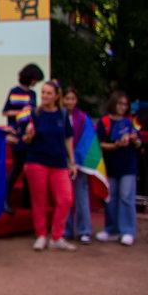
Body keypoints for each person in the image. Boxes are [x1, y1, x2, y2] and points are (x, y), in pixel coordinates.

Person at [22, 80, 78, 252]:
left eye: (48, 93)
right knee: (39, 200)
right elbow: (25, 138)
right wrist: (29, 135)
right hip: (37, 161)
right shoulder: (34, 113)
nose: (45, 96)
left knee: (66, 198)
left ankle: (56, 236)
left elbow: (68, 138)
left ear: (56, 96)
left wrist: (72, 161)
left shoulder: (62, 114)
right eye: (43, 92)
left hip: (59, 163)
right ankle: (41, 235)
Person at [96, 91, 142, 246]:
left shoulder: (131, 121)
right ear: (113, 103)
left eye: (125, 104)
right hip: (110, 165)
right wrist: (114, 145)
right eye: (120, 103)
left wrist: (135, 140)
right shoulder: (104, 122)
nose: (123, 107)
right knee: (111, 198)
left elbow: (139, 143)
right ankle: (112, 229)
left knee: (126, 196)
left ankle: (128, 231)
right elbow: (99, 144)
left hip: (128, 164)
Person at [3, 63, 45, 214]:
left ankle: (27, 200)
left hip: (30, 134)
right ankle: (4, 199)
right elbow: (6, 112)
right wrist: (22, 111)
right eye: (35, 79)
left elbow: (34, 113)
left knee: (29, 168)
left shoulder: (33, 94)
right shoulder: (14, 91)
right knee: (17, 167)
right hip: (17, 134)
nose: (36, 82)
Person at [62, 87, 94, 244]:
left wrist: (75, 160)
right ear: (62, 99)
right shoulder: (58, 116)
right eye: (67, 98)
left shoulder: (83, 118)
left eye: (72, 98)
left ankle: (84, 231)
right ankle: (66, 230)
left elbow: (88, 140)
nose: (69, 101)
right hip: (62, 162)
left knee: (81, 197)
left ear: (76, 100)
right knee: (65, 197)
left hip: (79, 163)